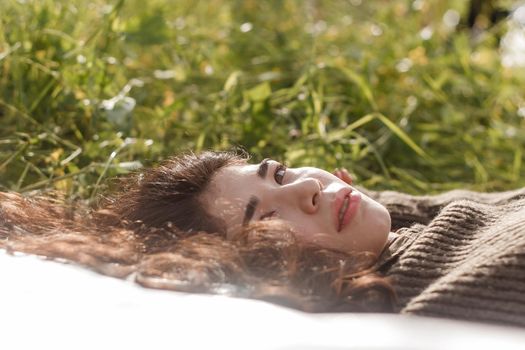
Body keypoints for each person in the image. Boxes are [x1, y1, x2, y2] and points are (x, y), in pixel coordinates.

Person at [1, 150, 525, 326]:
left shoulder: (409, 227)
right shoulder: (447, 290)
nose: (305, 188)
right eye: (267, 220)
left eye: (277, 173)